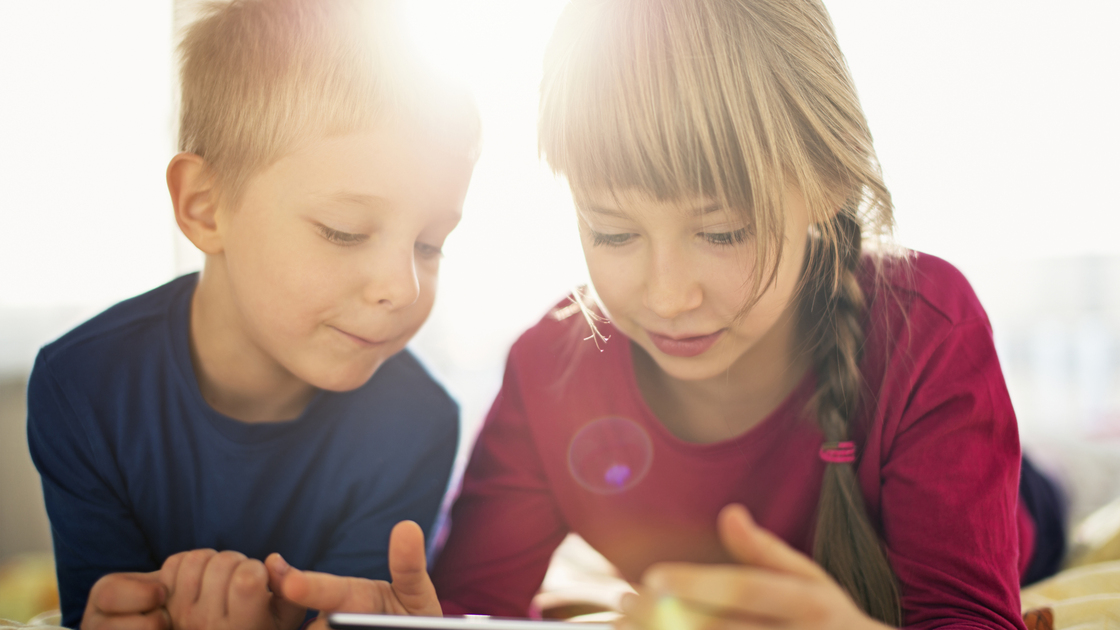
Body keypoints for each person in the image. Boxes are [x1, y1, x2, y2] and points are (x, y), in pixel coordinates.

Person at [268, 0, 1065, 628]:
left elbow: (966, 615)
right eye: (613, 232)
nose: (666, 295)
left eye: (721, 232)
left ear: (825, 183)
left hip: (1013, 507)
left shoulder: (926, 326)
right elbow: (480, 605)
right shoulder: (552, 372)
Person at [25, 0, 479, 628]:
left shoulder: (419, 423)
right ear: (206, 208)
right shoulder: (80, 387)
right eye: (344, 231)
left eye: (429, 245)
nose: (403, 287)